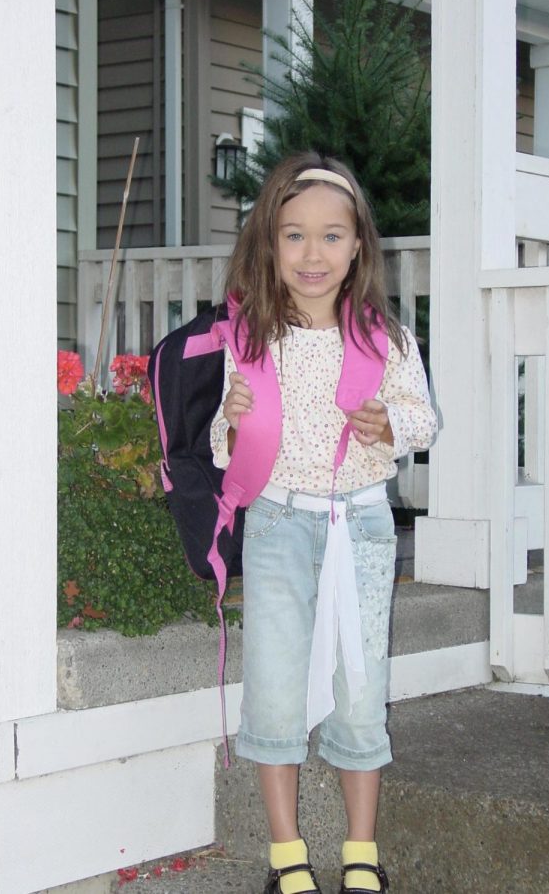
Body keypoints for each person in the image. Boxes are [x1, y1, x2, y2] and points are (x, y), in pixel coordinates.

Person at [210, 152, 437, 894]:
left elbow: (422, 418)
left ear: (359, 246)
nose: (313, 254)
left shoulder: (382, 339)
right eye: (294, 236)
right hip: (278, 524)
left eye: (332, 236)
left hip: (362, 529)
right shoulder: (250, 338)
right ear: (268, 246)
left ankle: (360, 854)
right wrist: (233, 418)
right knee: (274, 686)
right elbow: (224, 443)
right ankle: (286, 859)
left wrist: (387, 424)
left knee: (358, 688)